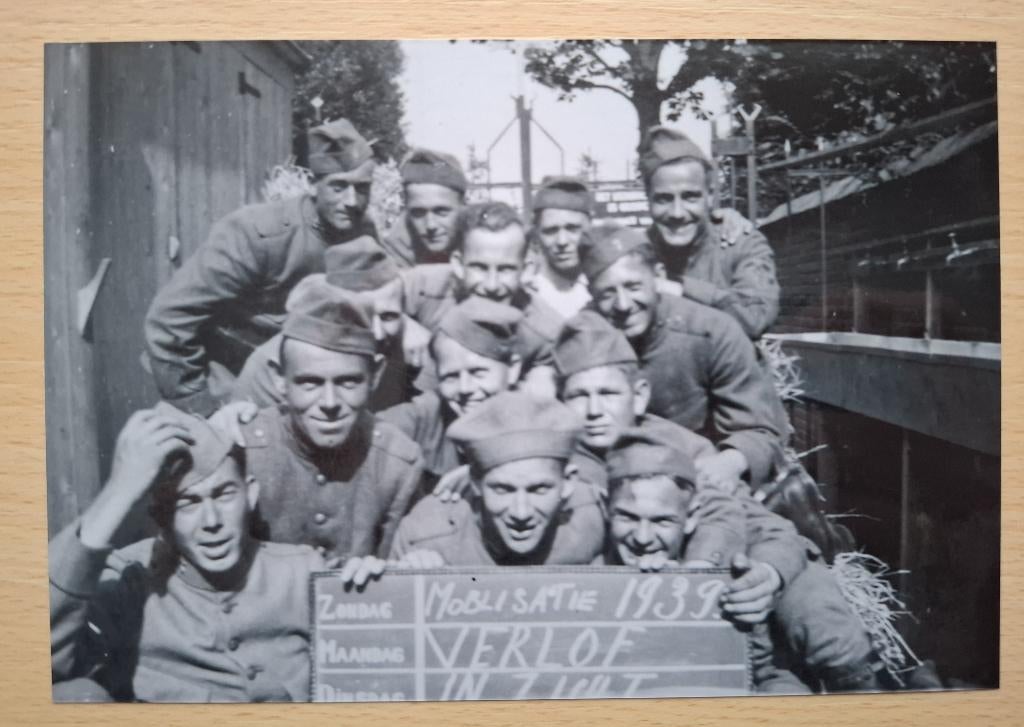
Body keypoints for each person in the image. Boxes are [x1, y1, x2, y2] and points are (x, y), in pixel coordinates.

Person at [49, 404, 333, 702]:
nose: (211, 522)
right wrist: (119, 491)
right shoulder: (131, 584)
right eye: (188, 503)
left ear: (250, 494)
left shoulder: (304, 573)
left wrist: (371, 585)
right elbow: (33, 656)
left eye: (224, 494)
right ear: (162, 519)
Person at [603, 428, 895, 693]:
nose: (642, 538)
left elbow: (759, 665)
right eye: (627, 517)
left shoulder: (723, 542)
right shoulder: (588, 550)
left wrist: (691, 588)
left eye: (662, 521)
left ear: (691, 518)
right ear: (607, 511)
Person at [144, 119, 377, 415]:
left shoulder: (364, 233)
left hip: (304, 386)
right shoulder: (257, 233)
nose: (351, 201)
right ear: (314, 185)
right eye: (338, 187)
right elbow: (168, 319)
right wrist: (202, 410)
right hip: (226, 381)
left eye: (362, 188)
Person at [579, 225, 783, 492]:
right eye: (607, 293)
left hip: (702, 476)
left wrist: (728, 462)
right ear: (591, 295)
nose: (623, 304)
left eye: (633, 286)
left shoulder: (712, 332)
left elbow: (761, 431)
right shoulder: (583, 338)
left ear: (658, 277)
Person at [236, 279, 423, 563]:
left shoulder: (397, 464)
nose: (330, 403)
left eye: (348, 382)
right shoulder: (244, 450)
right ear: (279, 380)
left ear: (375, 375)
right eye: (309, 383)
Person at [388, 391, 605, 567]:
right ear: (474, 481)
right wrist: (411, 580)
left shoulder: (592, 518)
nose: (521, 512)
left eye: (539, 489)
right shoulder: (427, 535)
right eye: (503, 489)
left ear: (568, 483)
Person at [231, 235, 413, 412]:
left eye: (389, 316)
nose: (378, 333)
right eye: (360, 315)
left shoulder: (405, 344)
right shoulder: (278, 362)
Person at [401, 201, 562, 398]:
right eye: (479, 267)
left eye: (505, 269)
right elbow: (364, 291)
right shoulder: (426, 285)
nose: (491, 285)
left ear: (526, 270)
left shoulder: (544, 331)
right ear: (458, 264)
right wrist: (402, 323)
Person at [638, 125, 780, 340]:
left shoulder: (740, 243)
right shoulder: (636, 254)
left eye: (690, 197)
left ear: (710, 195)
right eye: (663, 199)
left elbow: (755, 319)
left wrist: (676, 287)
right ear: (648, 198)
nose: (677, 213)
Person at [378, 297, 523, 496]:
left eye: (478, 372)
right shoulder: (429, 412)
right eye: (451, 376)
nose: (465, 388)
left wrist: (489, 470)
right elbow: (369, 430)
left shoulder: (536, 419)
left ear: (513, 369)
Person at [379, 148, 468, 267]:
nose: (430, 225)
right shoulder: (397, 247)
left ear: (463, 205)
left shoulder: (482, 236)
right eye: (418, 213)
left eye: (441, 211)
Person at [525, 176, 593, 319]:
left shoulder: (603, 288)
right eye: (550, 231)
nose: (562, 241)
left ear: (589, 228)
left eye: (572, 229)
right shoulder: (526, 296)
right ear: (537, 235)